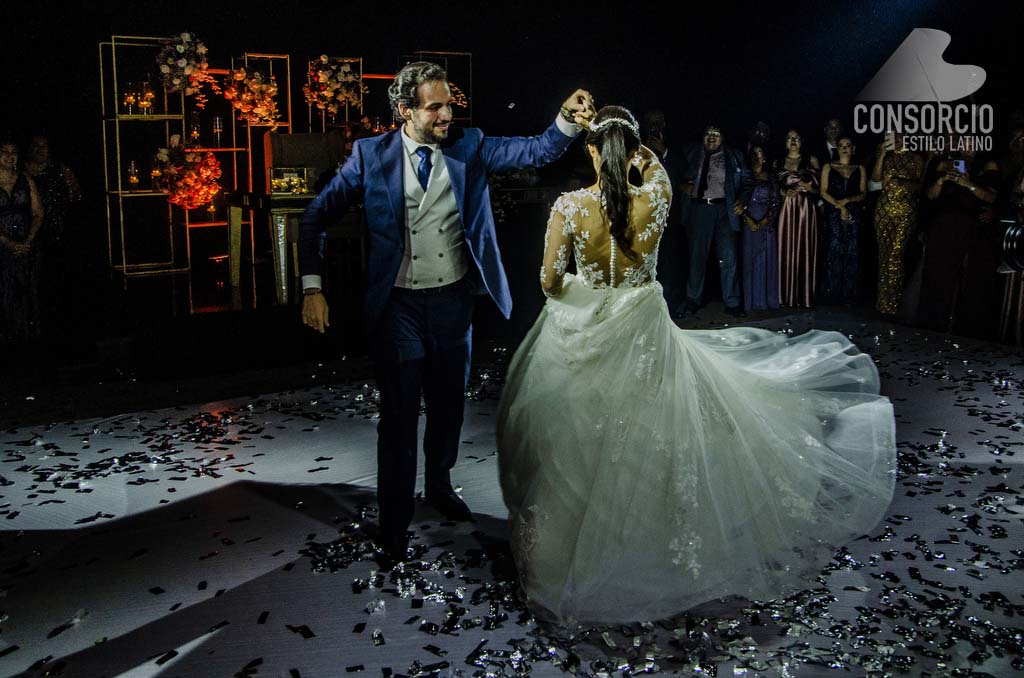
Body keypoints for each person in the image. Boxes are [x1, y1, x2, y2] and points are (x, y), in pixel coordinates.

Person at [497, 106, 896, 628]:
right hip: (641, 324)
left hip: (586, 328)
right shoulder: (655, 195)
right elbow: (654, 166)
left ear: (590, 150)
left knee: (580, 431)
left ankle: (574, 547)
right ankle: (645, 537)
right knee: (646, 428)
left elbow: (550, 282)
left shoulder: (569, 207)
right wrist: (628, 145)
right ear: (634, 151)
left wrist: (587, 289)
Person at [297, 61, 593, 564]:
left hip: (453, 301)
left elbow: (537, 149)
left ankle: (438, 484)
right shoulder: (369, 156)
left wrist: (565, 117)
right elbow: (315, 217)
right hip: (398, 306)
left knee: (448, 405)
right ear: (404, 110)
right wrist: (312, 287)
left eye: (449, 105)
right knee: (398, 414)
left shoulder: (469, 145)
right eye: (435, 107)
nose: (447, 115)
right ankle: (394, 521)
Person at [677, 124, 748, 317]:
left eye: (716, 134)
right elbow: (673, 173)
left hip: (724, 210)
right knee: (697, 257)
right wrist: (682, 185)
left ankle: (732, 303)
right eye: (708, 133)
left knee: (728, 257)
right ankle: (692, 300)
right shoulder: (690, 152)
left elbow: (747, 181)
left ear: (722, 137)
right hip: (699, 209)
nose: (711, 137)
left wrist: (743, 200)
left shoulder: (734, 156)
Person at [872, 133, 924, 316]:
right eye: (893, 137)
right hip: (883, 210)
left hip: (905, 212)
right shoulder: (887, 157)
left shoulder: (916, 158)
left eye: (901, 136)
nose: (897, 140)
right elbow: (876, 179)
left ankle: (894, 304)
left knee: (895, 255)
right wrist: (881, 155)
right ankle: (882, 304)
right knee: (883, 256)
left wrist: (904, 182)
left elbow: (921, 186)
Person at [0, 137, 44, 344]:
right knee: (5, 292)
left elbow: (38, 212)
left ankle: (29, 339)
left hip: (26, 245)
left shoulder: (25, 179)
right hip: (2, 247)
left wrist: (28, 240)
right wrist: (9, 244)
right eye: (4, 151)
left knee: (28, 292)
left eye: (14, 152)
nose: (10, 156)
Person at [819, 137, 867, 305]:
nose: (845, 148)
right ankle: (832, 293)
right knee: (834, 249)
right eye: (841, 146)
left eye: (848, 145)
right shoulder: (828, 166)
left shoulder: (860, 168)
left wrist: (847, 201)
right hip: (833, 213)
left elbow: (863, 193)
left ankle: (849, 294)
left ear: (853, 148)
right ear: (837, 149)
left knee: (852, 250)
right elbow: (823, 192)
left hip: (854, 213)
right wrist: (840, 207)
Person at [776, 129, 820, 307]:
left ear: (802, 141)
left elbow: (820, 190)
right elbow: (773, 187)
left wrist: (811, 189)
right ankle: (785, 296)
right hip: (786, 209)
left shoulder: (811, 160)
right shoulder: (778, 161)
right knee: (785, 247)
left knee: (804, 248)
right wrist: (783, 191)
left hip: (806, 210)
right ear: (785, 142)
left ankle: (804, 297)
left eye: (796, 138)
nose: (793, 140)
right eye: (789, 138)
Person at [740, 145, 779, 311]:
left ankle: (765, 301)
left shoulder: (771, 177)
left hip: (766, 224)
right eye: (754, 153)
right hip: (748, 223)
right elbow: (738, 200)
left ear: (765, 158)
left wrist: (763, 222)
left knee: (765, 259)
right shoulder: (744, 175)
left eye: (760, 153)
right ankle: (751, 302)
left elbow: (775, 203)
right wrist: (748, 220)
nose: (757, 156)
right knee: (750, 260)